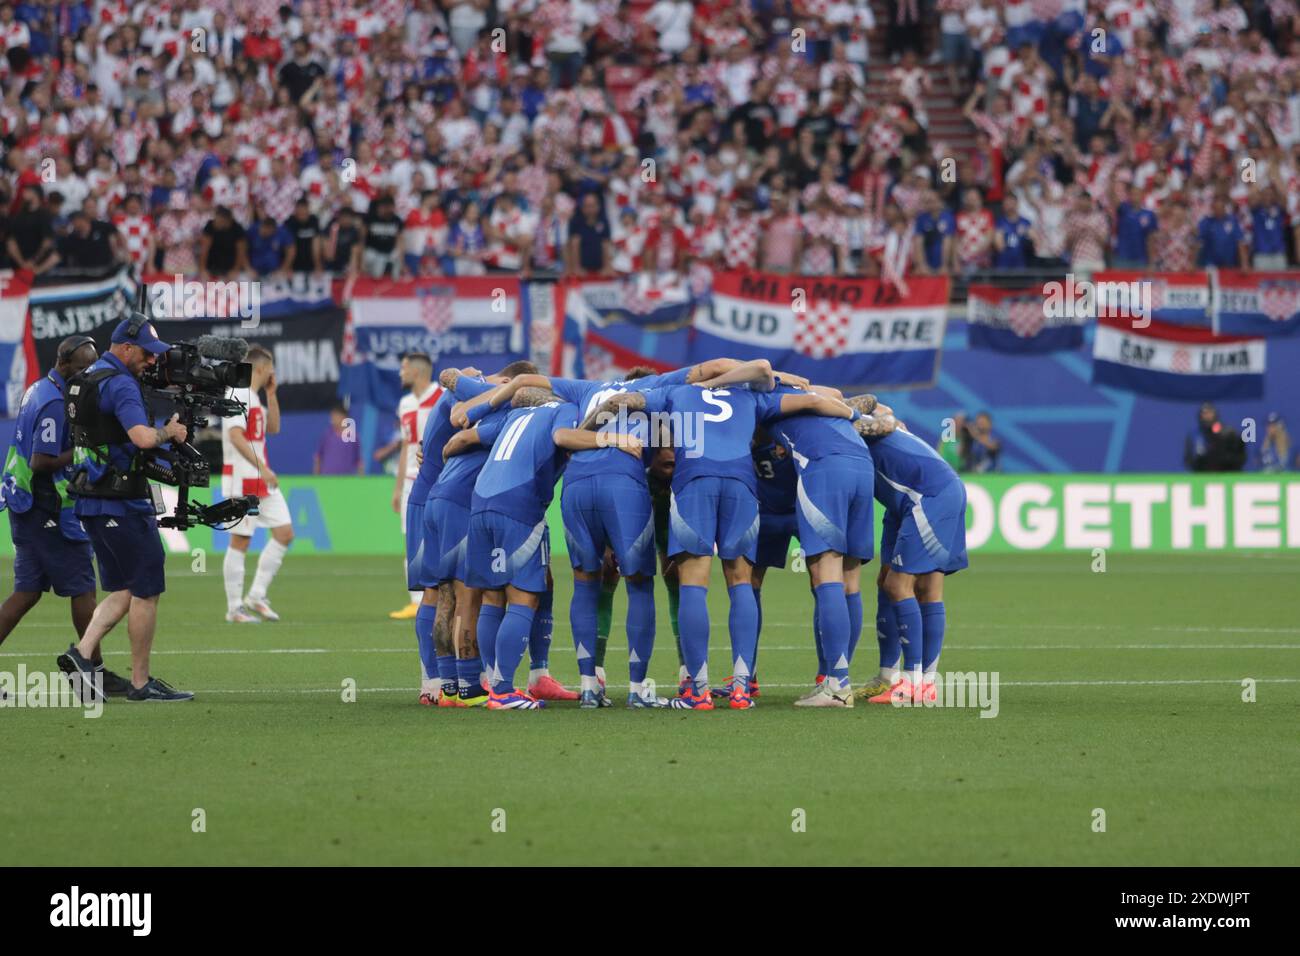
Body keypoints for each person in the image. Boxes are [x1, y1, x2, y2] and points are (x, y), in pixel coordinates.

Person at [466, 387, 638, 710]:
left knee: (492, 596)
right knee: (524, 597)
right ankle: (503, 692)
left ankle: (492, 681)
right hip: (518, 505)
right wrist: (613, 439)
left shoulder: (516, 415)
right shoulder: (565, 409)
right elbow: (563, 437)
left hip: (480, 503)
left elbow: (466, 438)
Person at [56, 314, 193, 702]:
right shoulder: (121, 385)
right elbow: (142, 437)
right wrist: (171, 431)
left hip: (90, 499)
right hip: (122, 502)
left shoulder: (87, 377)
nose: (152, 361)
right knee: (147, 589)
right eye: (147, 354)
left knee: (123, 587)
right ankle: (140, 683)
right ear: (127, 348)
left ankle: (81, 654)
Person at [0, 337, 129, 694]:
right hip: (45, 509)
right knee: (84, 589)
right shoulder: (55, 403)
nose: (88, 374)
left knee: (25, 593)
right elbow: (42, 461)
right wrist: (83, 451)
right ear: (65, 364)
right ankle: (91, 671)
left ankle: (93, 671)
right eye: (84, 368)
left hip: (22, 503)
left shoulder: (38, 389)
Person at [852, 404, 969, 705]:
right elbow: (884, 411)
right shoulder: (867, 427)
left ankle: (913, 682)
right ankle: (897, 678)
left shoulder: (857, 430)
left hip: (928, 496)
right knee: (888, 581)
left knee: (902, 586)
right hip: (907, 501)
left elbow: (882, 413)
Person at [221, 346, 293, 623]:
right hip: (242, 477)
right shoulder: (237, 394)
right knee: (241, 539)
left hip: (260, 479)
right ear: (261, 368)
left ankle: (256, 595)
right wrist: (262, 467)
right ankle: (234, 607)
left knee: (285, 532)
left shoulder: (253, 397)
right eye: (271, 368)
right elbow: (236, 436)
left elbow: (273, 428)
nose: (273, 373)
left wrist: (272, 394)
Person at [390, 352, 440, 619]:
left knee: (440, 538)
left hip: (440, 480)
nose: (401, 373)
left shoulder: (443, 397)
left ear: (418, 372)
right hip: (411, 482)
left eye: (404, 368)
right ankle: (416, 601)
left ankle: (443, 596)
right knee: (411, 540)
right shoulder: (405, 404)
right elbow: (405, 448)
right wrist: (397, 488)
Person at [1185, 402, 1247, 472]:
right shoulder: (1195, 436)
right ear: (1200, 416)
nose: (1208, 416)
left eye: (1210, 413)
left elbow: (1240, 457)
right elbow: (1189, 460)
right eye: (1205, 413)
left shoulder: (1229, 433)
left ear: (1215, 414)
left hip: (1227, 473)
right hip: (1203, 475)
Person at [313, 403, 361, 475]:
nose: (333, 419)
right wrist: (316, 476)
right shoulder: (327, 435)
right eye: (332, 417)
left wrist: (361, 479)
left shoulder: (354, 436)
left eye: (335, 416)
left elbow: (359, 461)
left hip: (347, 479)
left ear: (344, 417)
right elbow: (318, 457)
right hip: (327, 478)